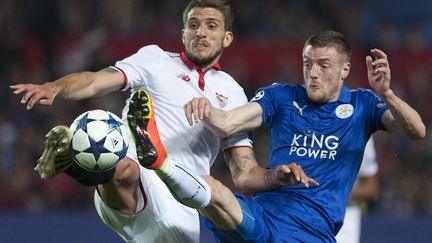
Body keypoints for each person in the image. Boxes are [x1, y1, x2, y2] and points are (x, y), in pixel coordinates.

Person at [11, 1, 315, 242]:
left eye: (211, 26)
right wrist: (57, 88)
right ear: (183, 33)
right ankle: (88, 159)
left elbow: (244, 173)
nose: (201, 32)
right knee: (121, 161)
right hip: (133, 172)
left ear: (227, 37)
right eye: (193, 25)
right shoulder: (154, 59)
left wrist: (276, 177)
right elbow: (96, 81)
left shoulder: (233, 93)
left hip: (179, 202)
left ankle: (84, 158)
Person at [136, 30, 425, 242]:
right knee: (214, 192)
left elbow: (416, 130)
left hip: (312, 232)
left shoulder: (362, 106)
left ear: (344, 70)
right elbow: (227, 122)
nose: (312, 73)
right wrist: (207, 109)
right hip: (264, 216)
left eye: (323, 66)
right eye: (307, 63)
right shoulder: (283, 96)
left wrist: (386, 93)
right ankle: (161, 162)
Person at [336, 138, 379, 243]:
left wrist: (332, 192)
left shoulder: (362, 130)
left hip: (345, 226)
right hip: (305, 218)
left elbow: (371, 189)